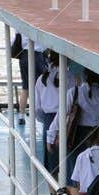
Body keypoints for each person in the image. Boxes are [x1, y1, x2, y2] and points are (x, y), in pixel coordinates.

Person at [33, 50, 62, 178]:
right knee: (66, 161)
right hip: (66, 121)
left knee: (51, 164)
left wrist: (44, 120)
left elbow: (37, 108)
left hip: (48, 120)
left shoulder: (41, 79)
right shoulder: (70, 77)